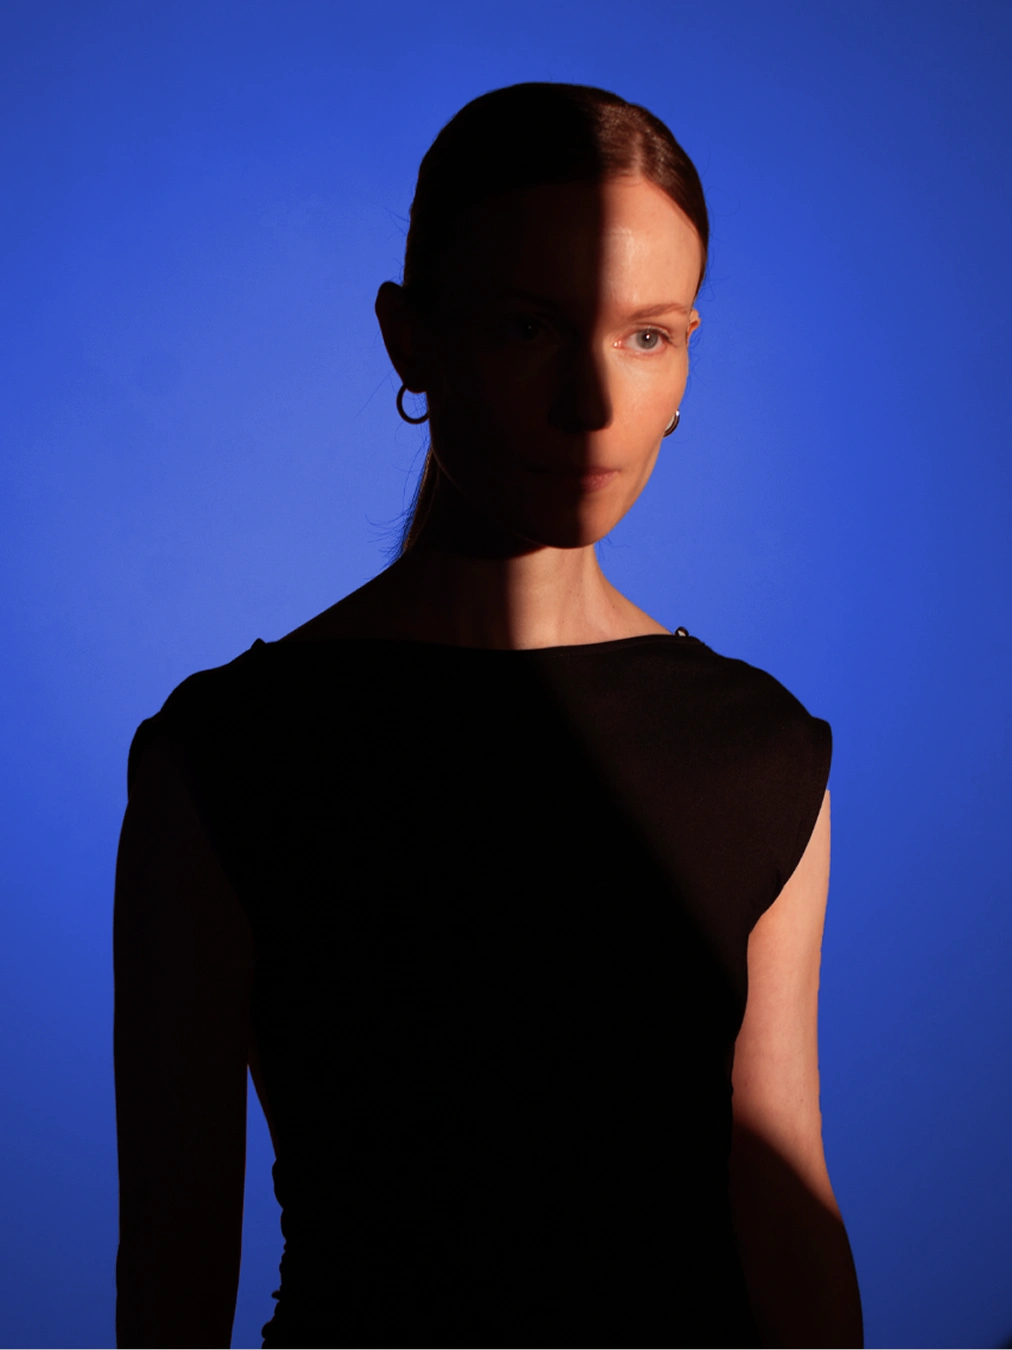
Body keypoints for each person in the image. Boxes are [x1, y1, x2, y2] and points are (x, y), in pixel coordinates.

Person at [113, 82, 863, 1349]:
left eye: (648, 336)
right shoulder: (229, 754)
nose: (592, 404)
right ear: (411, 341)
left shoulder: (758, 750)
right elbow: (173, 1268)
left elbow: (783, 1202)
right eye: (528, 327)